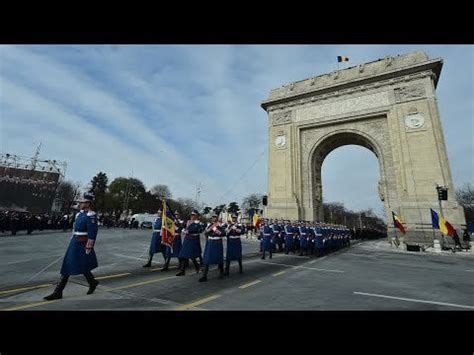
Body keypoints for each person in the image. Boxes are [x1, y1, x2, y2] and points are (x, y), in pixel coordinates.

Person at [43, 193, 99, 300]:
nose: (80, 204)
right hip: (74, 242)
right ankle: (92, 282)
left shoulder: (91, 216)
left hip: (82, 244)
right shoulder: (79, 215)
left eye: (82, 202)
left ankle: (58, 292)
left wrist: (89, 247)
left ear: (88, 203)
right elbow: (75, 229)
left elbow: (92, 233)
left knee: (74, 265)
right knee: (70, 265)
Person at [200, 213, 225, 282]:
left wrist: (215, 230)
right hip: (210, 242)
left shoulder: (220, 225)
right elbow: (205, 232)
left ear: (217, 218)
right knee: (207, 258)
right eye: (213, 217)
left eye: (215, 217)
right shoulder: (209, 225)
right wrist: (210, 230)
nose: (214, 218)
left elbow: (223, 233)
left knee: (219, 258)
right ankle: (204, 276)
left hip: (217, 242)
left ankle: (221, 272)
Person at [176, 210, 203, 276]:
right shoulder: (187, 222)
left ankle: (197, 266)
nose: (192, 216)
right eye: (191, 215)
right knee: (183, 255)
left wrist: (187, 231)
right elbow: (180, 228)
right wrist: (179, 227)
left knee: (191, 255)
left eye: (194, 215)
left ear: (196, 216)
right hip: (187, 240)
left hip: (193, 240)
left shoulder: (198, 223)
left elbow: (198, 230)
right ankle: (182, 271)